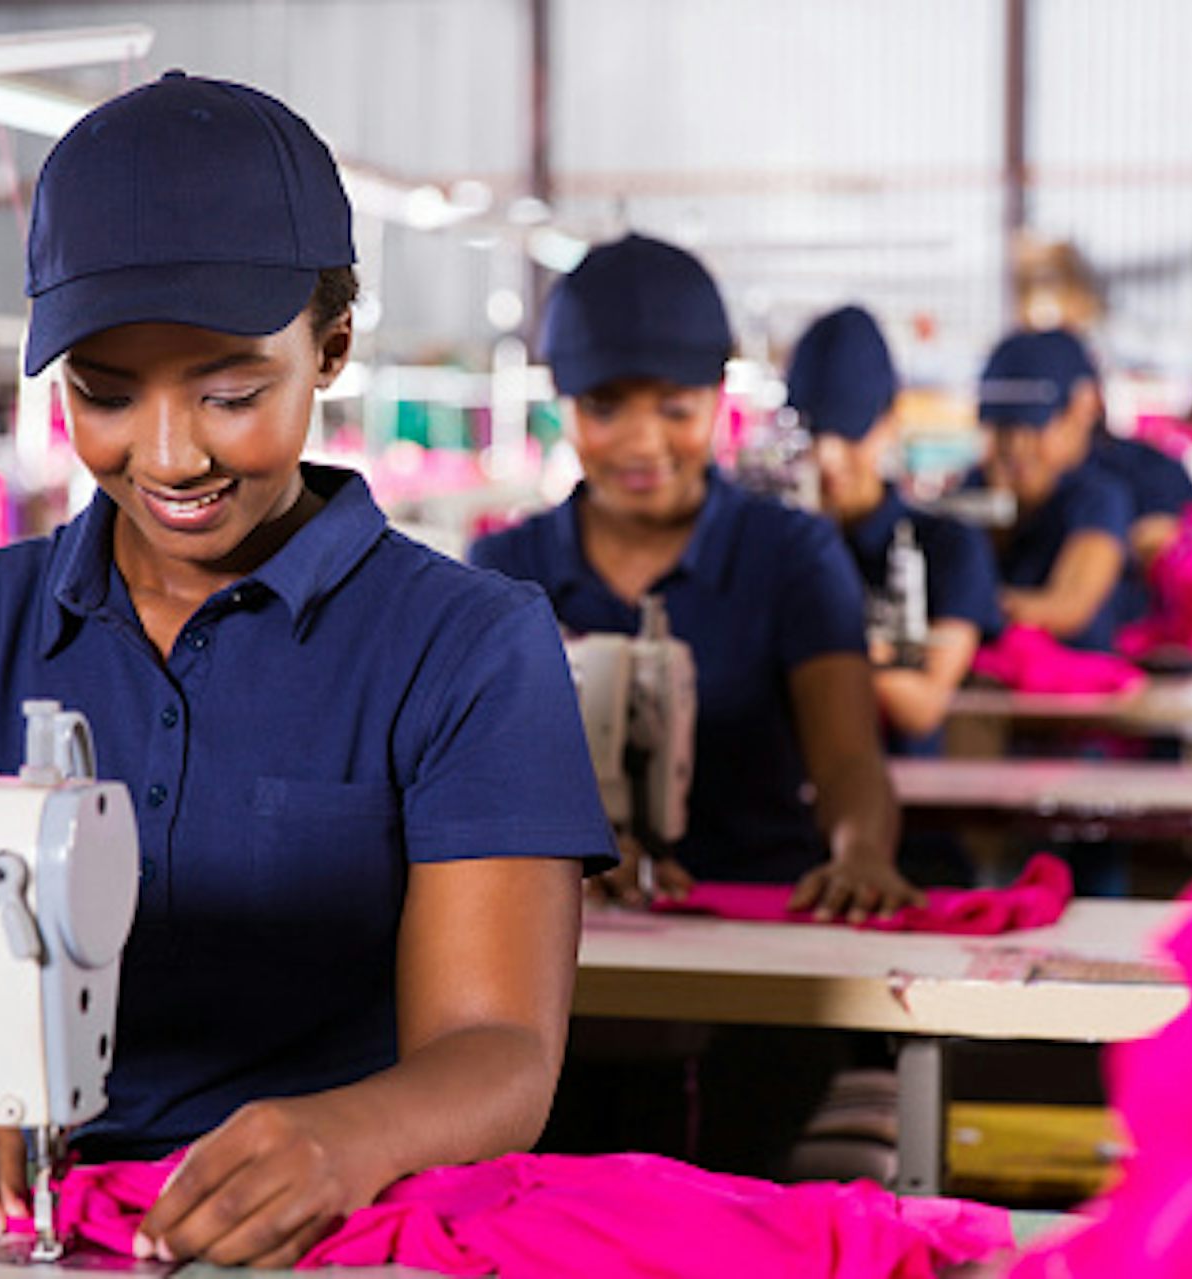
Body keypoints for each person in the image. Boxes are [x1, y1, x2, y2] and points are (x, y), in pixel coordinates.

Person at [0, 73, 614, 1270]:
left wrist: (343, 1140)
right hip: (3, 1230)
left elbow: (501, 1046)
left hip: (331, 1236)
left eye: (232, 391)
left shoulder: (465, 644)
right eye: (101, 390)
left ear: (331, 347)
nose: (167, 451)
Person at [470, 234, 912, 1181]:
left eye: (674, 408)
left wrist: (860, 851)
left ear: (719, 398)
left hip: (759, 987)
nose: (641, 443)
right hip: (562, 990)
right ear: (564, 406)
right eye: (603, 407)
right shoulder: (504, 573)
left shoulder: (790, 556)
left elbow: (846, 759)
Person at [785, 305, 1003, 752]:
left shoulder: (950, 548)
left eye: (849, 434)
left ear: (891, 420)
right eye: (814, 435)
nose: (828, 457)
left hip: (910, 808)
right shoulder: (775, 544)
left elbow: (922, 708)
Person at [978, 329, 1136, 653]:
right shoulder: (974, 490)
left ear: (1077, 413)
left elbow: (1069, 608)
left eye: (1034, 428)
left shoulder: (1096, 498)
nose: (1017, 446)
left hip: (1073, 693)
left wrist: (961, 612)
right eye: (1003, 428)